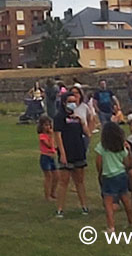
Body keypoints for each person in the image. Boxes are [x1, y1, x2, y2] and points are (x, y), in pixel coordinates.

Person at [53, 89, 89, 219]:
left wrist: (82, 122)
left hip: (78, 151)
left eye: (74, 101)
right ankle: (60, 209)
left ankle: (84, 206)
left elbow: (87, 133)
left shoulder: (76, 117)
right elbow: (58, 136)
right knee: (64, 181)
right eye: (70, 102)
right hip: (66, 152)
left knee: (79, 181)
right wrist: (62, 154)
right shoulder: (59, 117)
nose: (72, 104)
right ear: (64, 103)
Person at [95, 122, 132, 233]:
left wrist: (100, 173)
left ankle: (111, 226)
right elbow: (126, 162)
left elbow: (99, 162)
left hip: (108, 176)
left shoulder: (101, 146)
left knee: (108, 203)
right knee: (126, 199)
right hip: (121, 174)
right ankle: (131, 222)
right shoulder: (121, 146)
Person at [37, 116, 57, 202]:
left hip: (51, 157)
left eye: (49, 125)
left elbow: (54, 146)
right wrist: (52, 136)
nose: (48, 127)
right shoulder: (42, 136)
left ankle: (53, 192)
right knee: (48, 176)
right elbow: (49, 145)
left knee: (56, 176)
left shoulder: (50, 135)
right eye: (45, 125)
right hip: (45, 157)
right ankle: (47, 196)